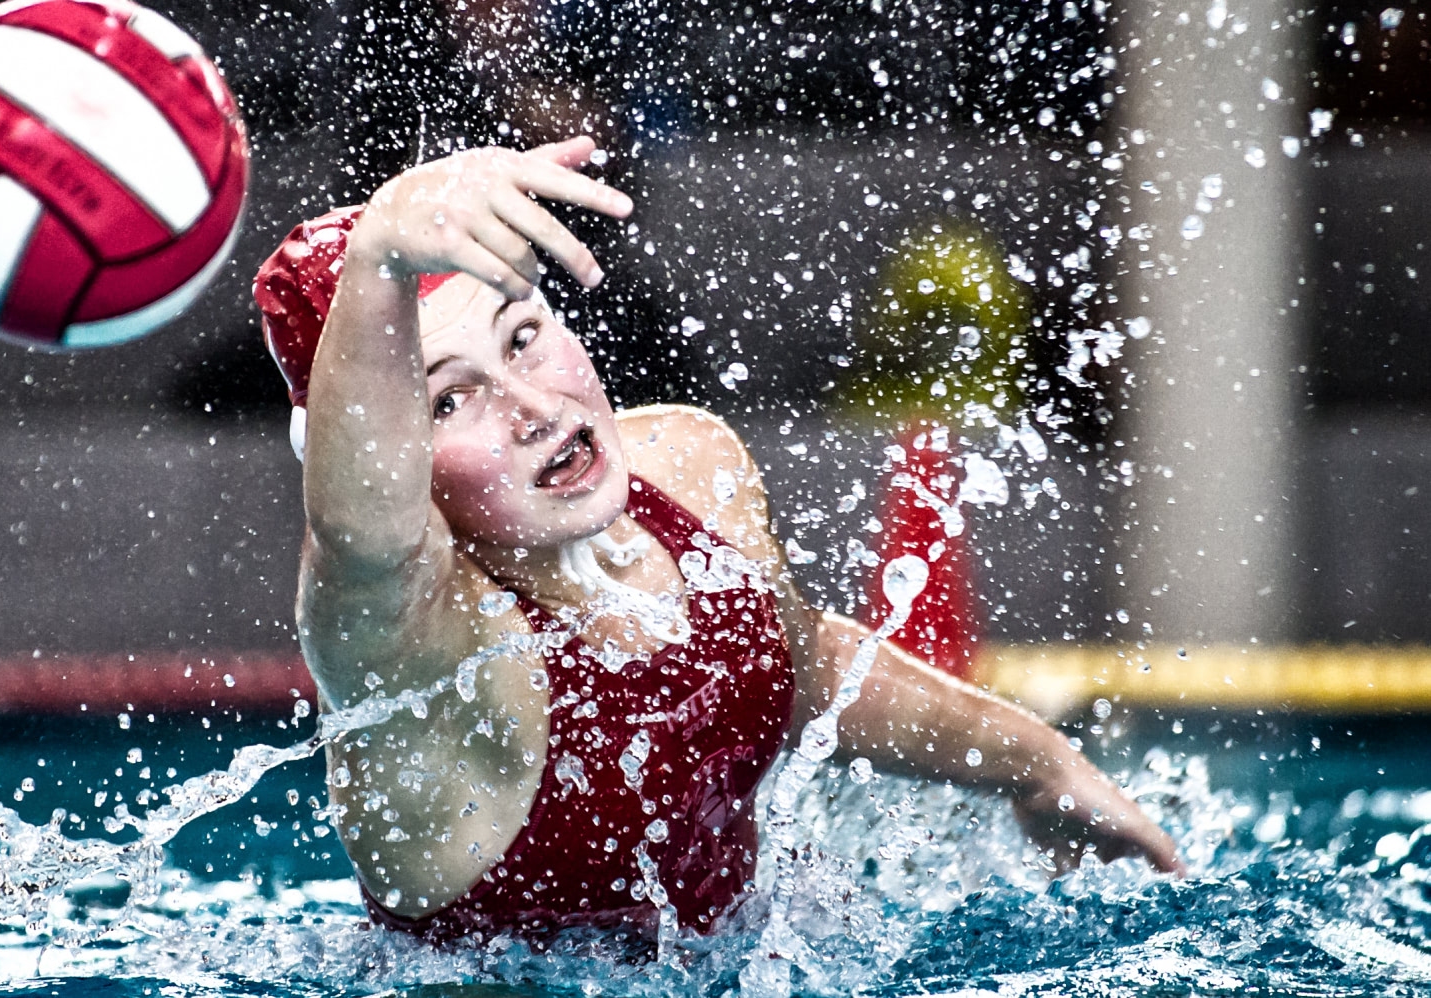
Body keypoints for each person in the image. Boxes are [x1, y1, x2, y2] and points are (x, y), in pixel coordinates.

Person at [252, 135, 1182, 942]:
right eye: (449, 399)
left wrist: (1040, 766)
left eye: (526, 337)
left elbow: (804, 659)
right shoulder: (417, 652)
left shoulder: (689, 464)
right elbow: (361, 534)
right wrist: (378, 252)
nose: (534, 408)